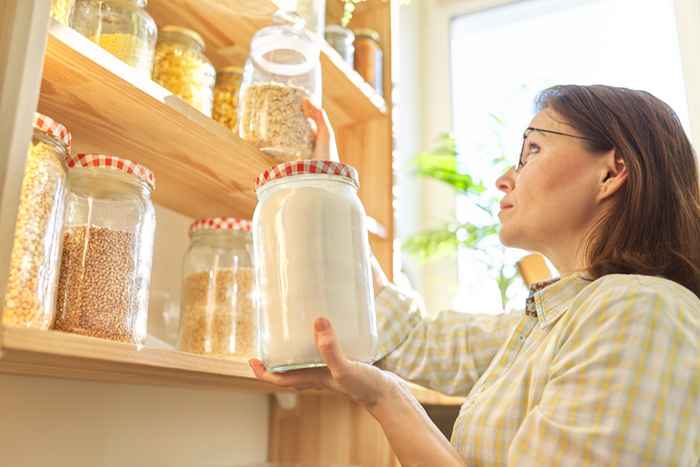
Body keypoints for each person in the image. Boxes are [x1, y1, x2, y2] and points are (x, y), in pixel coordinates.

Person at [250, 85, 700, 466]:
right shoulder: (555, 320)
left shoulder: (640, 312)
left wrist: (384, 400)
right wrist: (329, 187)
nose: (504, 178)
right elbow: (409, 339)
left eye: (532, 151)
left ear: (612, 172)